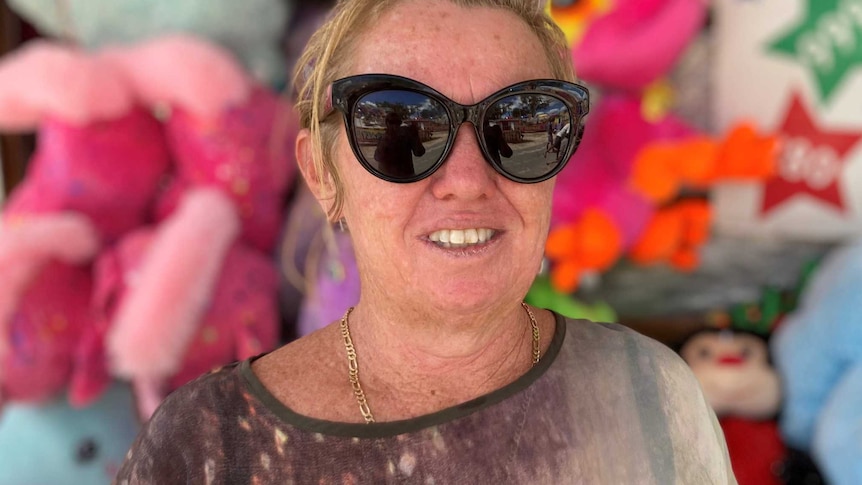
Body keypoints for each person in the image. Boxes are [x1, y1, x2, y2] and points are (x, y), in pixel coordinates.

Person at [114, 0, 737, 483]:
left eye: (520, 123)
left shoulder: (649, 392)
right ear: (322, 174)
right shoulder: (206, 446)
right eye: (401, 127)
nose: (466, 181)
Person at [374, 111, 426, 178]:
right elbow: (377, 157)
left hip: (404, 176)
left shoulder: (405, 135)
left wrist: (414, 135)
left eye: (397, 123)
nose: (394, 126)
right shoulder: (384, 138)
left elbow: (419, 152)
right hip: (388, 177)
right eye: (392, 123)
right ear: (387, 124)